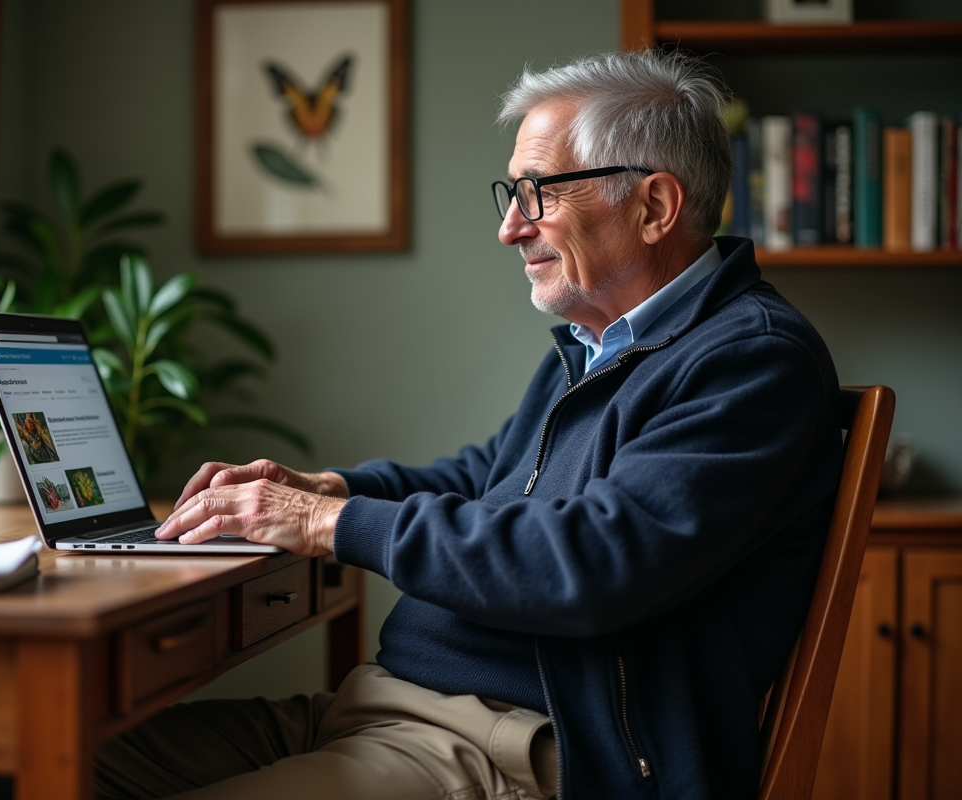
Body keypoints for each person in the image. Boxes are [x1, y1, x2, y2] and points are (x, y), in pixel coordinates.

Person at [96, 49, 842, 800]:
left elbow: (591, 563)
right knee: (50, 758)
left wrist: (329, 523)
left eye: (536, 194)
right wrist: (328, 487)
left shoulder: (751, 362)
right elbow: (485, 477)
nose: (510, 228)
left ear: (653, 207)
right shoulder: (598, 343)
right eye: (510, 194)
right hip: (387, 709)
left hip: (524, 743)